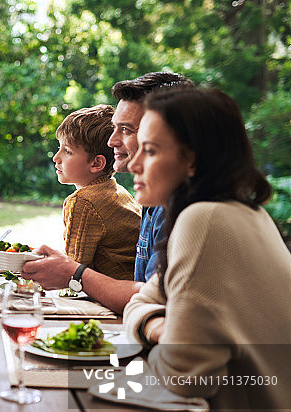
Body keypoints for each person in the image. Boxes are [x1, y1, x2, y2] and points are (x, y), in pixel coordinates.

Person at [123, 88, 291, 412]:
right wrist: (160, 325)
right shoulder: (248, 214)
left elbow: (183, 377)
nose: (132, 163)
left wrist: (154, 327)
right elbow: (143, 298)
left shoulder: (204, 222)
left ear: (192, 160)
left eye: (149, 150)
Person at [22, 72, 194, 313]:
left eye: (126, 129)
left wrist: (74, 273)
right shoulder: (151, 199)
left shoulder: (186, 209)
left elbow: (157, 303)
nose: (112, 141)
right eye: (115, 128)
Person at [53, 104, 141, 280]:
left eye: (67, 151)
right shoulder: (117, 191)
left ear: (96, 163)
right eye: (59, 148)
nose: (56, 158)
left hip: (113, 297)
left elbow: (72, 271)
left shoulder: (84, 202)